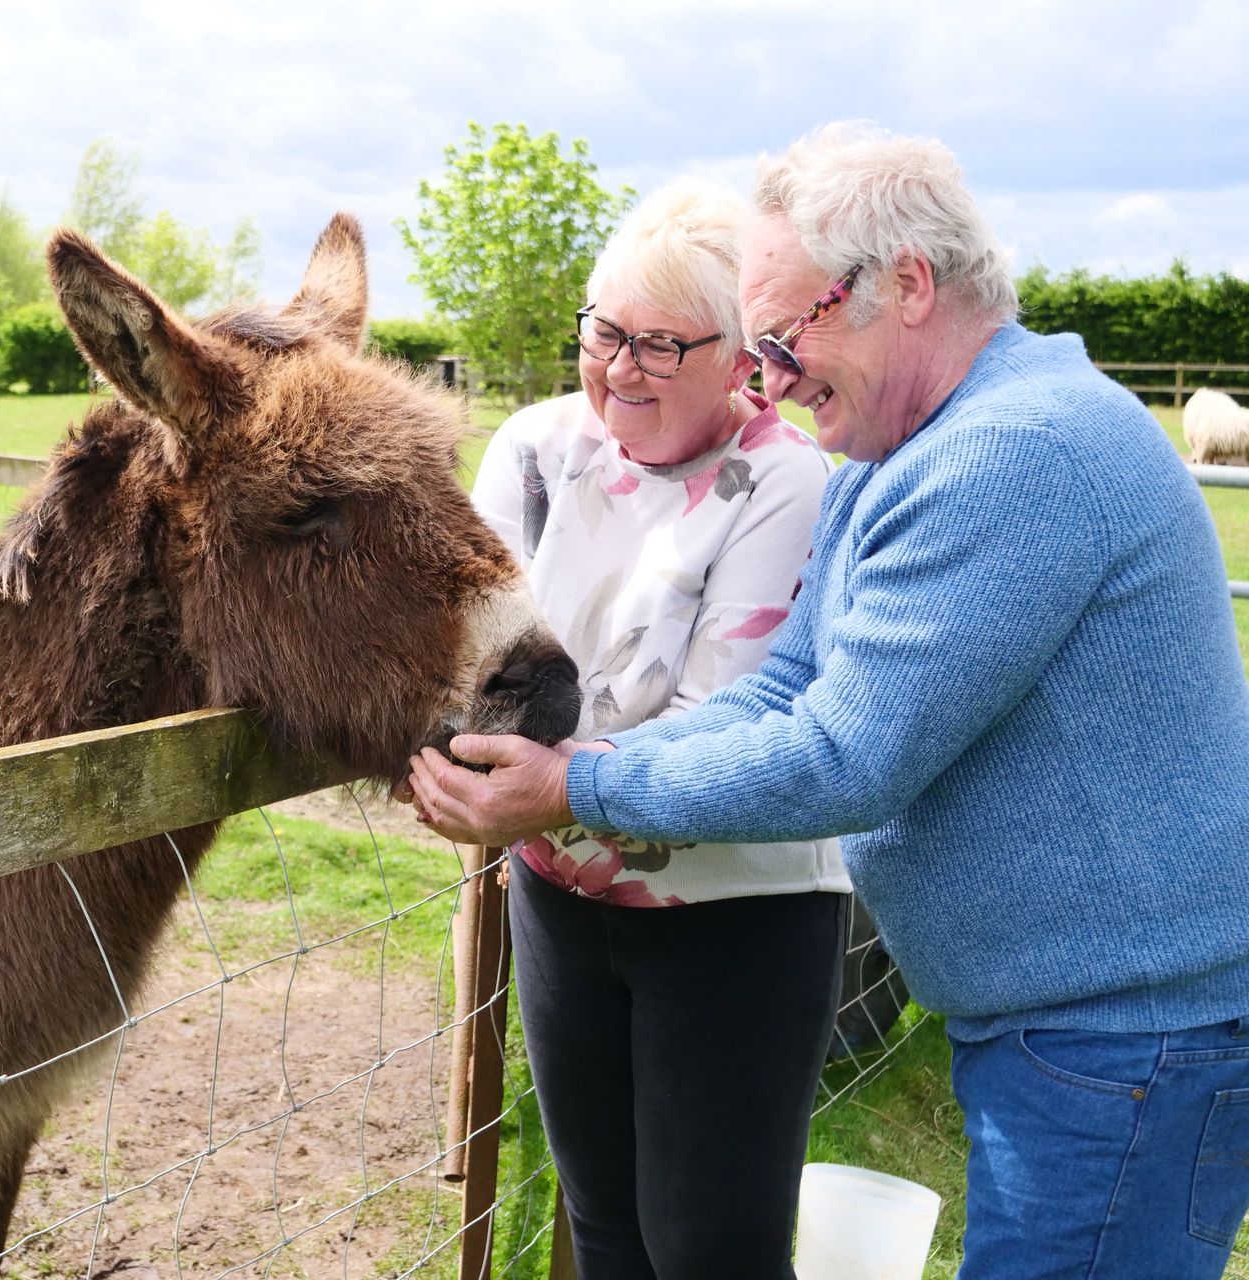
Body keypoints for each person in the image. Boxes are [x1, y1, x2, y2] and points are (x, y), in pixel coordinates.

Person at [408, 122, 1249, 1279]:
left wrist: (574, 781)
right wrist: (574, 781)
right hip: (1074, 1019)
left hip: (1121, 1035)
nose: (773, 376)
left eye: (785, 333)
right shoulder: (901, 453)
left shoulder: (1008, 456)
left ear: (907, 284)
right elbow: (795, 683)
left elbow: (844, 751)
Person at [468, 178, 849, 1279]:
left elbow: (719, 726)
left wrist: (535, 779)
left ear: (739, 355)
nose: (617, 368)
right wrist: (457, 769)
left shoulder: (783, 482)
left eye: (659, 345)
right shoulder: (538, 452)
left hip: (734, 911)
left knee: (710, 1246)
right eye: (604, 332)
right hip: (557, 891)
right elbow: (466, 662)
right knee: (606, 1228)